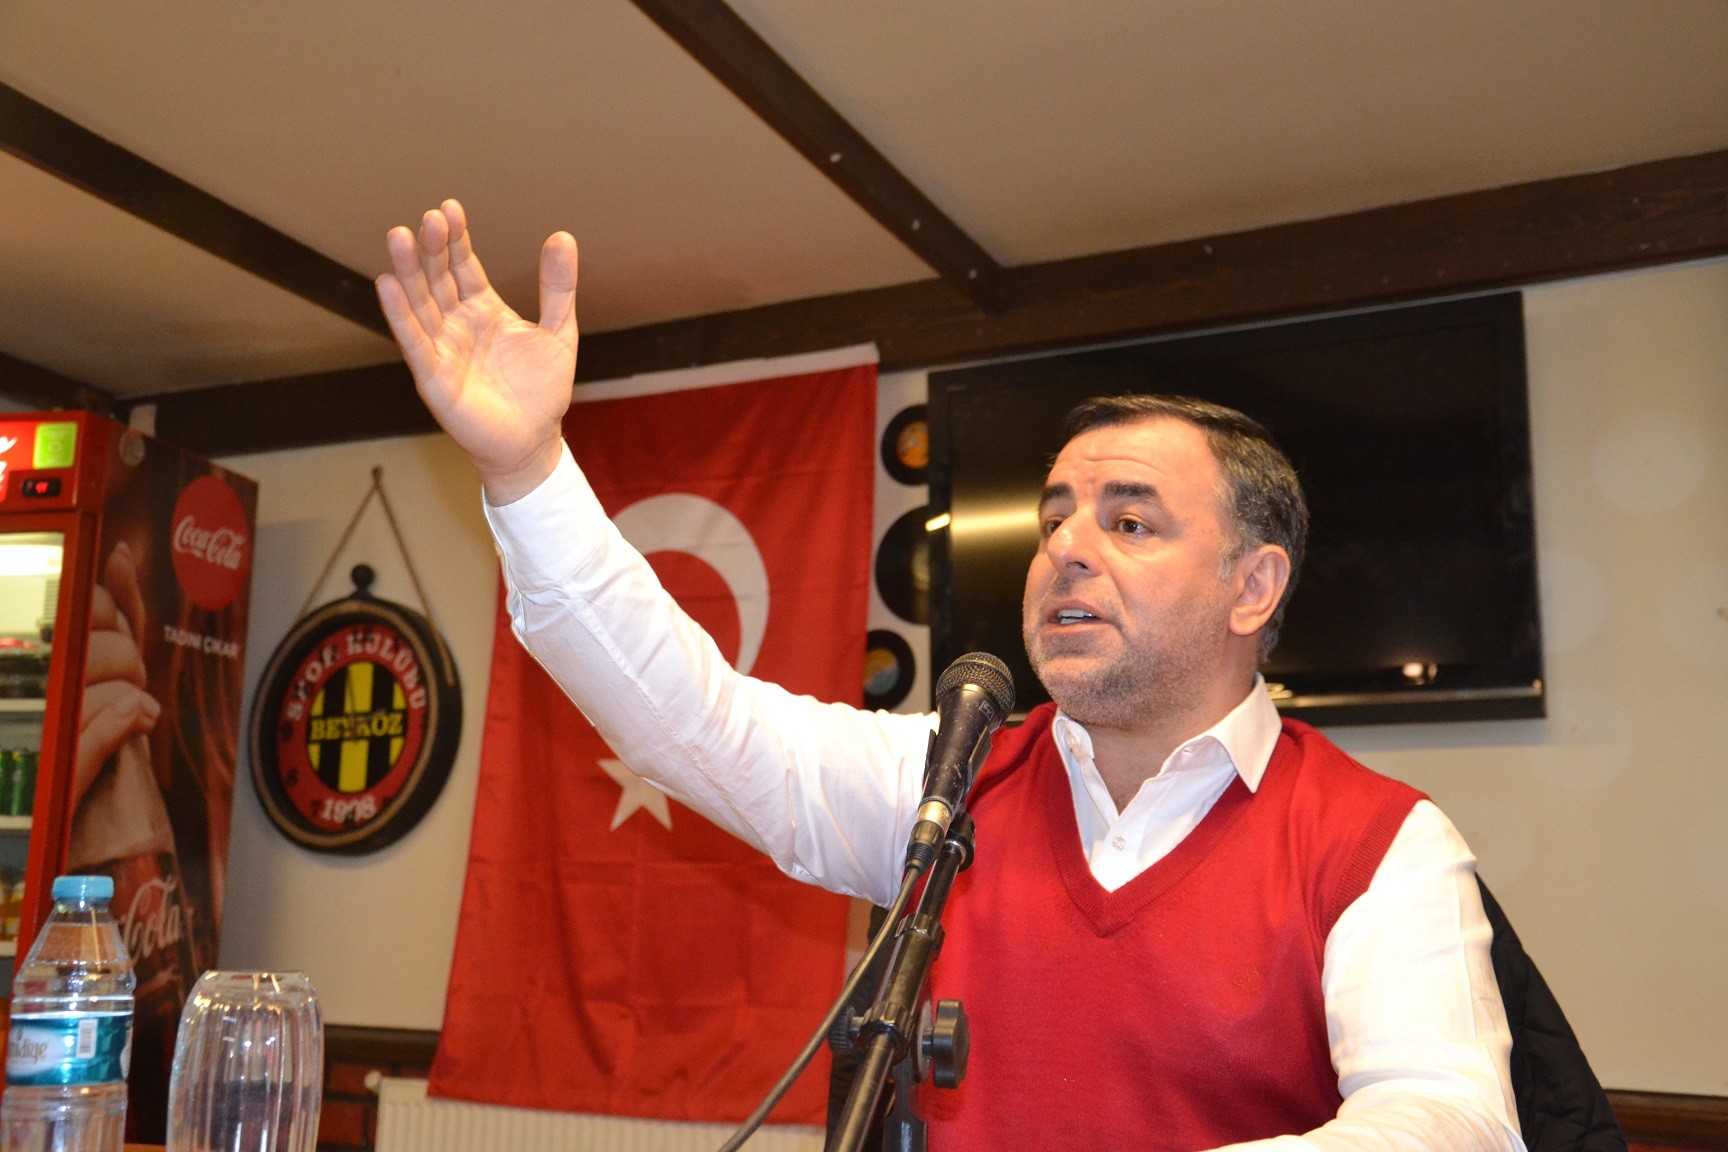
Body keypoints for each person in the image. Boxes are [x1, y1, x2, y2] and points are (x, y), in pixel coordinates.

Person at [376, 200, 1525, 1152]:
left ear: (1253, 585)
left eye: (1130, 522)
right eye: (1055, 518)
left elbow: (1450, 1118)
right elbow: (700, 725)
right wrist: (528, 470)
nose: (1067, 548)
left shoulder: (1382, 845)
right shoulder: (949, 788)